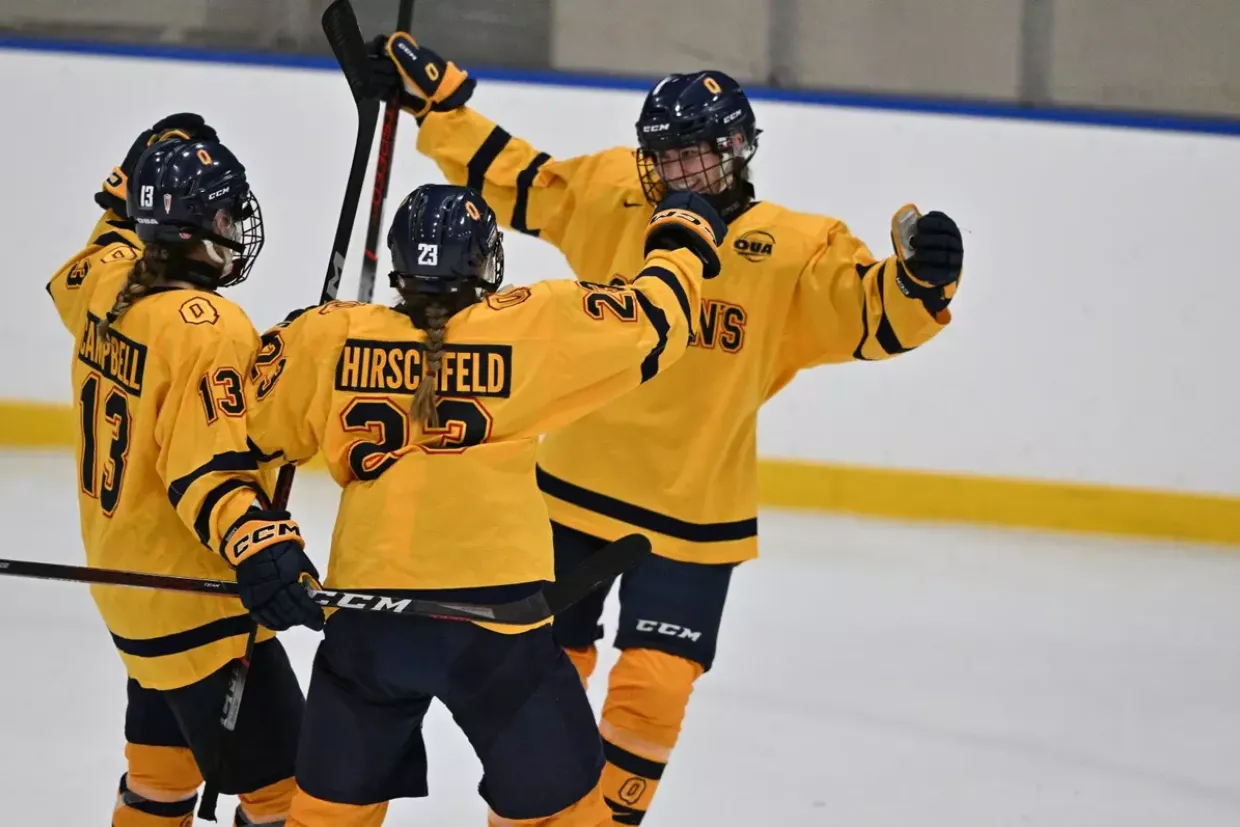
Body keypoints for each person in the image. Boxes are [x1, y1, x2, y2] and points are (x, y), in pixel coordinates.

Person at [370, 32, 968, 824]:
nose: (678, 174)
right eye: (665, 157)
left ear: (738, 152)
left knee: (654, 688)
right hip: (569, 490)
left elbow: (870, 313)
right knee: (544, 667)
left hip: (693, 510)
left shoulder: (794, 248)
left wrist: (924, 278)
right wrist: (444, 111)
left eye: (697, 156)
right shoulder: (616, 191)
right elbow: (527, 184)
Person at [241, 181, 723, 826]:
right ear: (485, 260)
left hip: (368, 618)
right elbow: (656, 323)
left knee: (326, 816)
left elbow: (242, 439)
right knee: (561, 814)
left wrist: (260, 544)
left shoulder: (328, 334)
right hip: (495, 623)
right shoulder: (532, 322)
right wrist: (680, 242)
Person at [46, 114, 324, 827]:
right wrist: (261, 546)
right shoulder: (209, 327)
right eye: (227, 212)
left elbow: (99, 246)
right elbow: (207, 468)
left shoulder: (106, 287)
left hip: (129, 590)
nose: (236, 225)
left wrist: (125, 186)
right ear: (201, 226)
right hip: (195, 599)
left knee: (160, 776)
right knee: (290, 798)